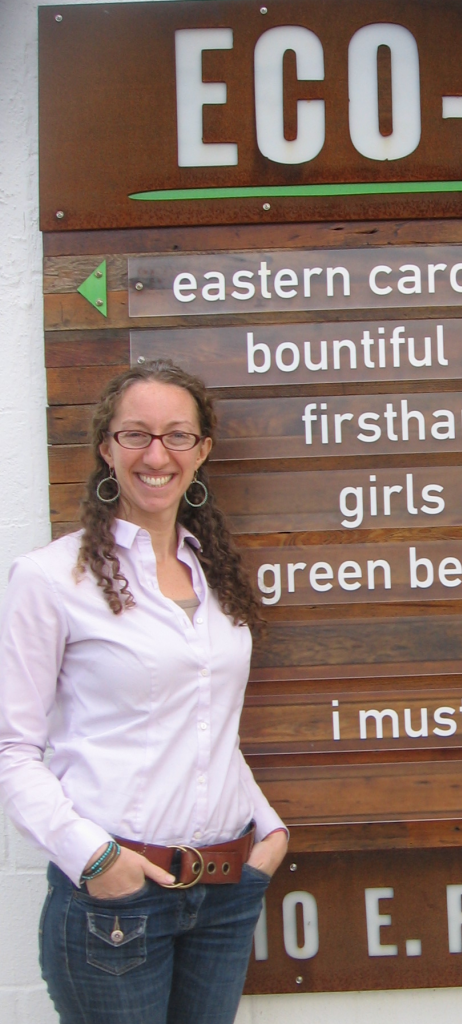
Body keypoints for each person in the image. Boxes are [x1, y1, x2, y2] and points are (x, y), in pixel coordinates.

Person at [0, 360, 288, 1023]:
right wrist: (96, 858)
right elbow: (14, 750)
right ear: (107, 448)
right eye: (136, 435)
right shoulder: (49, 579)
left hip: (223, 891)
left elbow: (208, 730)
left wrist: (267, 832)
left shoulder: (214, 578)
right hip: (116, 903)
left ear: (201, 451)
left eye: (176, 436)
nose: (156, 454)